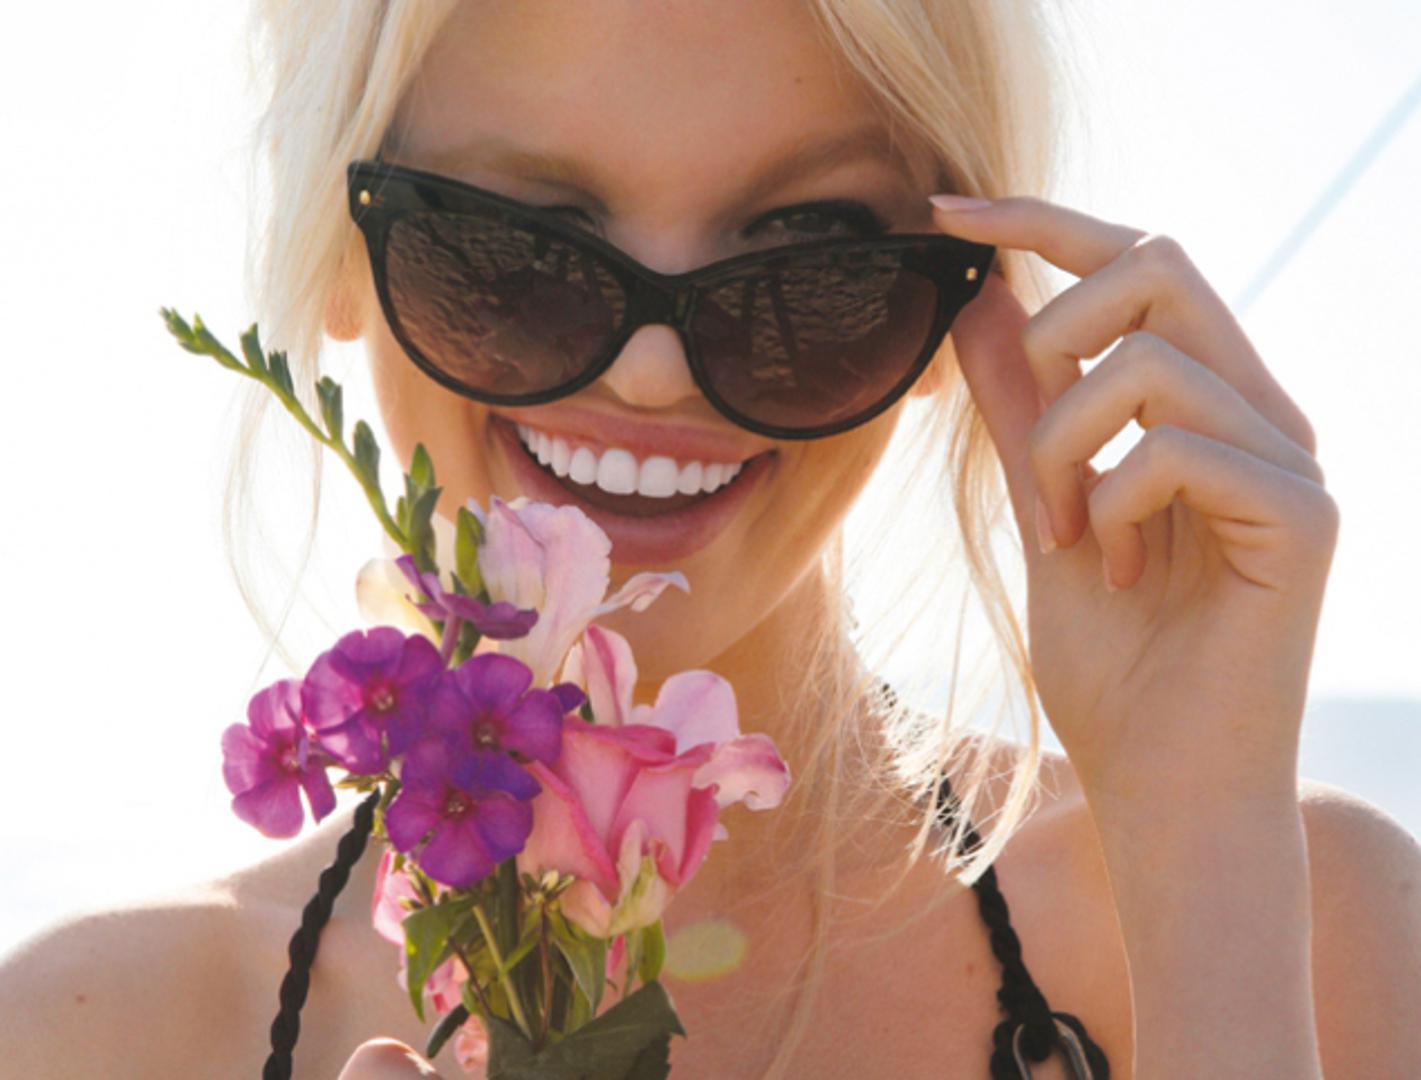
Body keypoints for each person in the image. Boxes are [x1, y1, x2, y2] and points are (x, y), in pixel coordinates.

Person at [4, 1, 1419, 1077]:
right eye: (517, 246)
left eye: (803, 262)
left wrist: (1199, 868)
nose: (652, 376)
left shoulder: (1317, 932)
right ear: (339, 255)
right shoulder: (98, 1035)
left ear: (949, 312)